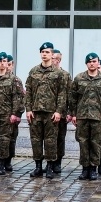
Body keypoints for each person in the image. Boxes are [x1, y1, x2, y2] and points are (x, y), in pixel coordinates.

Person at [68, 52, 101, 180]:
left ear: (98, 63)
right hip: (82, 116)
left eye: (94, 61)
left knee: (96, 143)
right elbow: (73, 98)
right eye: (89, 62)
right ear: (86, 63)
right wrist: (73, 114)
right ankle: (85, 169)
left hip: (98, 117)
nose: (92, 63)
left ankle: (94, 168)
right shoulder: (79, 78)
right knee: (83, 142)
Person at [25, 42, 66, 179]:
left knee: (50, 141)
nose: (44, 54)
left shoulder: (58, 73)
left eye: (47, 52)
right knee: (36, 140)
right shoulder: (33, 71)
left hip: (51, 112)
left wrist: (59, 111)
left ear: (52, 54)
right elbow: (28, 91)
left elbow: (62, 94)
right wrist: (28, 109)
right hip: (36, 112)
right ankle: (38, 167)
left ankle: (49, 167)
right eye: (42, 52)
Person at [52, 49, 72, 173]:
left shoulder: (65, 75)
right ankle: (49, 161)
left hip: (62, 112)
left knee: (60, 138)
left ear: (58, 60)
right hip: (47, 112)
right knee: (48, 139)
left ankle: (58, 162)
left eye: (53, 58)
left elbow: (70, 94)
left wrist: (70, 112)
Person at [5, 54, 25, 173]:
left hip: (13, 116)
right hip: (1, 113)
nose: (6, 66)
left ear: (12, 65)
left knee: (11, 139)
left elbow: (22, 99)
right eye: (5, 63)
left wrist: (18, 114)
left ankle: (8, 161)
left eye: (9, 64)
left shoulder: (16, 80)